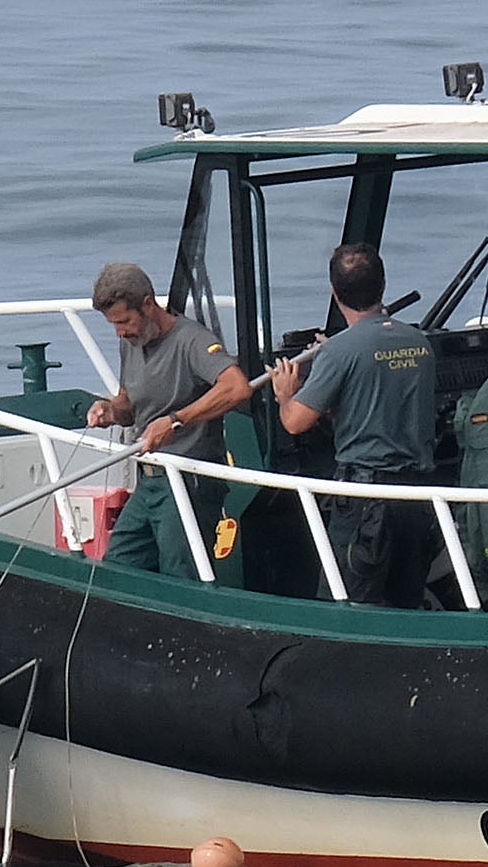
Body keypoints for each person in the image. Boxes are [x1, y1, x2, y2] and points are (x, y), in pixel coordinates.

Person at [275, 242, 439, 606]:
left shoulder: (339, 352)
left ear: (335, 294)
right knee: (405, 600)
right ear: (383, 284)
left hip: (366, 502)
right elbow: (380, 402)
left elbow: (296, 423)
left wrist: (288, 392)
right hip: (417, 498)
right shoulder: (419, 343)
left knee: (346, 603)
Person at [83, 262, 250, 578]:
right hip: (149, 480)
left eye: (124, 321)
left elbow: (236, 387)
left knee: (180, 573)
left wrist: (176, 421)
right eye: (113, 324)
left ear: (148, 304)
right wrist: (110, 410)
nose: (120, 331)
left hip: (188, 479)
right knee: (119, 566)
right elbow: (128, 403)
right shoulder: (130, 343)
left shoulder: (193, 341)